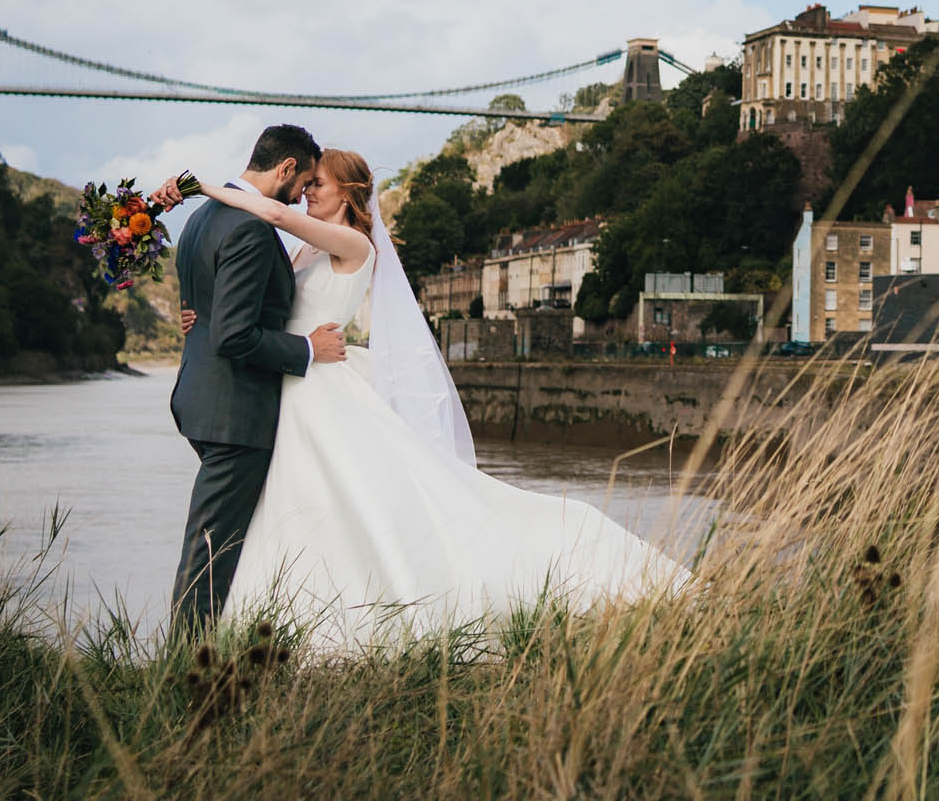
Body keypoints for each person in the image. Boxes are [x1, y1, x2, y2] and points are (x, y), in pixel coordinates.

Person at [155, 145, 689, 649]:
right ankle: (281, 617)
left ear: (348, 193)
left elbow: (272, 215)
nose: (306, 193)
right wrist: (205, 319)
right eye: (308, 182)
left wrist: (203, 186)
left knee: (344, 501)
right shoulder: (305, 250)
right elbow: (262, 305)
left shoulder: (354, 245)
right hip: (292, 382)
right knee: (303, 507)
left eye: (318, 184)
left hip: (319, 382)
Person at [167, 123, 346, 632]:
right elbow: (233, 335)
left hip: (201, 399)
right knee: (212, 544)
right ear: (286, 168)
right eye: (304, 182)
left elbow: (203, 311)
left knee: (222, 536)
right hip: (234, 409)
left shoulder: (202, 218)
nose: (303, 194)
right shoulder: (248, 227)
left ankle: (218, 641)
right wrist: (309, 347)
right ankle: (185, 660)